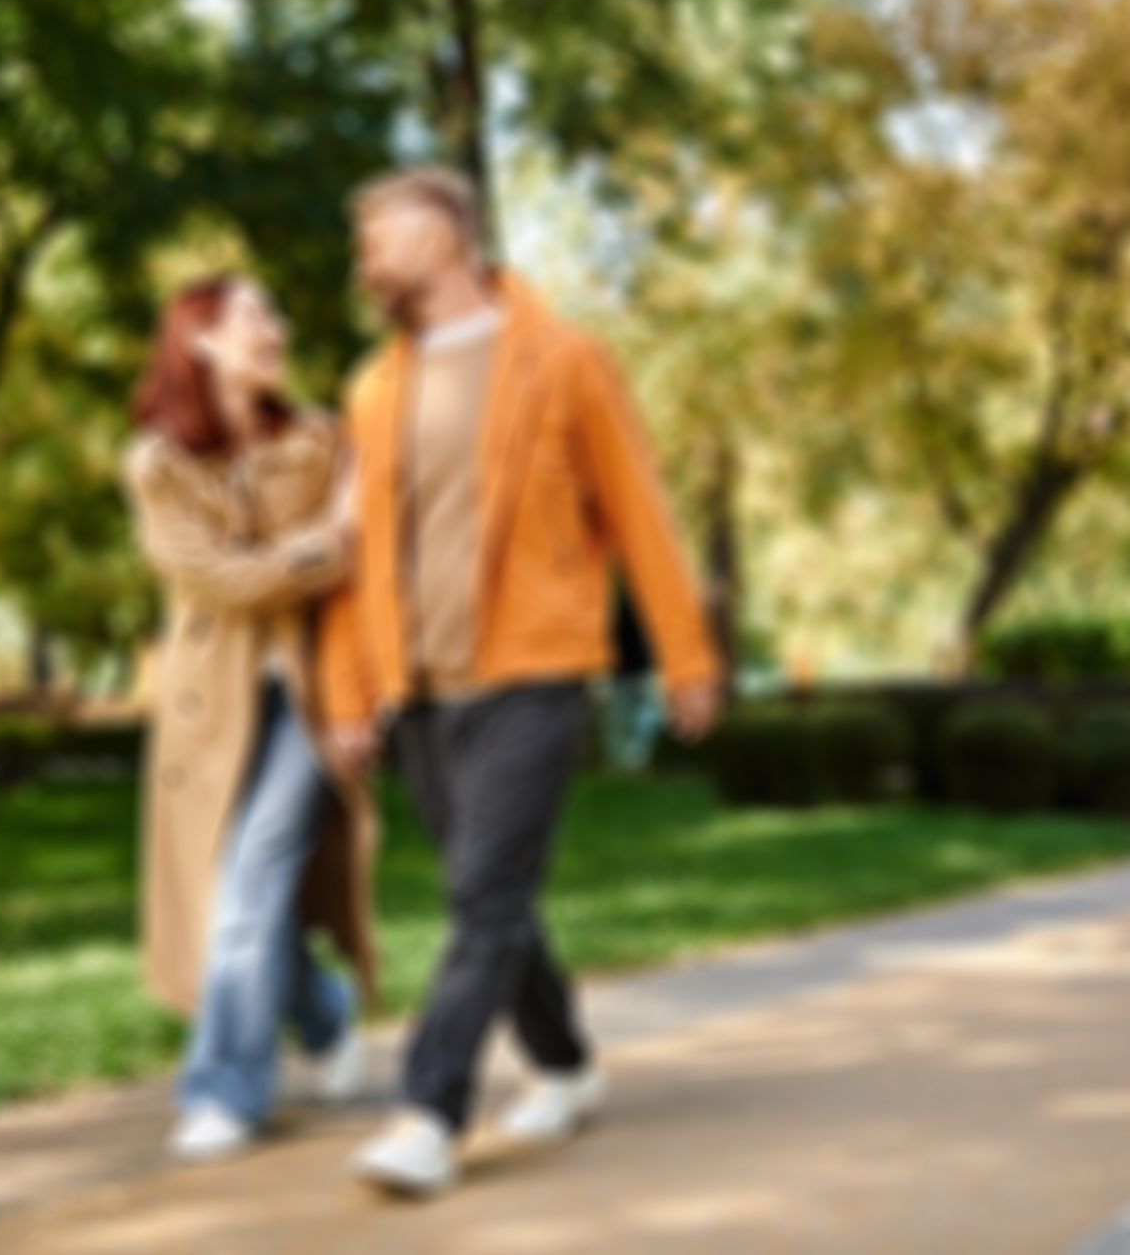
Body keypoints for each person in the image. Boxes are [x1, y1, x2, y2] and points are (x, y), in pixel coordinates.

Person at [319, 165, 723, 1195]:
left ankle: (427, 1112)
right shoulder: (371, 389)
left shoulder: (561, 358)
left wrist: (686, 653)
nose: (367, 251)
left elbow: (637, 505)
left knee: (482, 890)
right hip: (418, 685)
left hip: (535, 668)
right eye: (360, 239)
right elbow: (353, 558)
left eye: (384, 230)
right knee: (490, 902)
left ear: (450, 232)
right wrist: (346, 690)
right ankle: (567, 1061)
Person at [122, 274, 381, 1164]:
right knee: (240, 889)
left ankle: (226, 1086)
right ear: (199, 340)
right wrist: (328, 543)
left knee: (254, 873)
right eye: (254, 317)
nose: (275, 328)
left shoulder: (319, 444)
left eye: (276, 312)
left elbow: (353, 571)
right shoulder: (157, 465)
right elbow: (223, 582)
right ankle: (325, 1016)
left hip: (309, 696)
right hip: (209, 707)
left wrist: (320, 558)